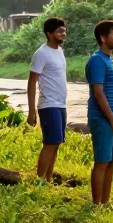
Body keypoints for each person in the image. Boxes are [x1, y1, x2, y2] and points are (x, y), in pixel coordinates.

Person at [86, 20, 113, 205]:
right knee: (101, 162)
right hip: (102, 119)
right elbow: (98, 94)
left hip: (112, 119)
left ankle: (106, 203)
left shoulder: (109, 60)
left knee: (110, 162)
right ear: (102, 38)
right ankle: (96, 205)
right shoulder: (97, 60)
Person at [27, 17, 68, 182]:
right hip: (48, 104)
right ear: (49, 33)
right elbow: (31, 82)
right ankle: (40, 181)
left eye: (64, 30)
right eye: (59, 31)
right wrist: (31, 111)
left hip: (61, 104)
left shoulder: (60, 51)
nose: (62, 34)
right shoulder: (41, 53)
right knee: (50, 143)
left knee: (57, 143)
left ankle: (48, 179)